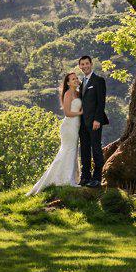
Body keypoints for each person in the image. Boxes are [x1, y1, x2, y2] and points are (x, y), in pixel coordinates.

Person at [27, 72, 82, 195]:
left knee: (72, 151)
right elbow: (67, 113)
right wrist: (81, 113)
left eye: (76, 78)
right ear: (67, 83)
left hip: (76, 126)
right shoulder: (68, 94)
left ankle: (71, 177)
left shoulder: (78, 93)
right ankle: (67, 179)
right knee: (69, 150)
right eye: (73, 79)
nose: (75, 80)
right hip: (69, 126)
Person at [78, 55, 109, 187]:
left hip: (94, 122)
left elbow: (101, 103)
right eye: (82, 64)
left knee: (96, 149)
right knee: (84, 149)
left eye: (87, 63)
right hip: (82, 123)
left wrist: (97, 119)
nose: (85, 66)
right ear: (80, 67)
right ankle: (85, 177)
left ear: (91, 64)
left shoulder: (99, 80)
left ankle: (97, 178)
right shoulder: (81, 83)